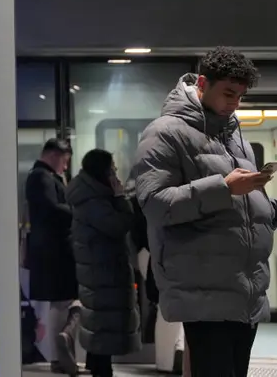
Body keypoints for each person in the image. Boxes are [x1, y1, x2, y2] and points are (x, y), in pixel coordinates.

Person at [133, 46, 276, 377]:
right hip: (204, 294)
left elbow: (242, 204)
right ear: (202, 83)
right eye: (228, 93)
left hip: (244, 293)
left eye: (240, 96)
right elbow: (155, 204)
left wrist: (269, 209)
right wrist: (224, 188)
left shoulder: (233, 133)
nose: (234, 103)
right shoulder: (164, 132)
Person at [67, 149, 141, 377]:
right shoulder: (93, 200)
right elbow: (118, 225)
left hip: (99, 269)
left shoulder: (89, 195)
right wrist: (120, 198)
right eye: (112, 168)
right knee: (103, 323)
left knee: (100, 322)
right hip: (103, 271)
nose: (115, 172)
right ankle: (101, 370)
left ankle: (97, 365)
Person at [24, 138, 80, 375]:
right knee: (63, 299)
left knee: (63, 300)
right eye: (64, 161)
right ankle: (60, 354)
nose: (65, 167)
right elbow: (52, 209)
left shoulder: (41, 177)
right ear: (54, 155)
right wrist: (77, 212)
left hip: (51, 249)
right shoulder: (42, 177)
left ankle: (61, 355)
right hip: (55, 250)